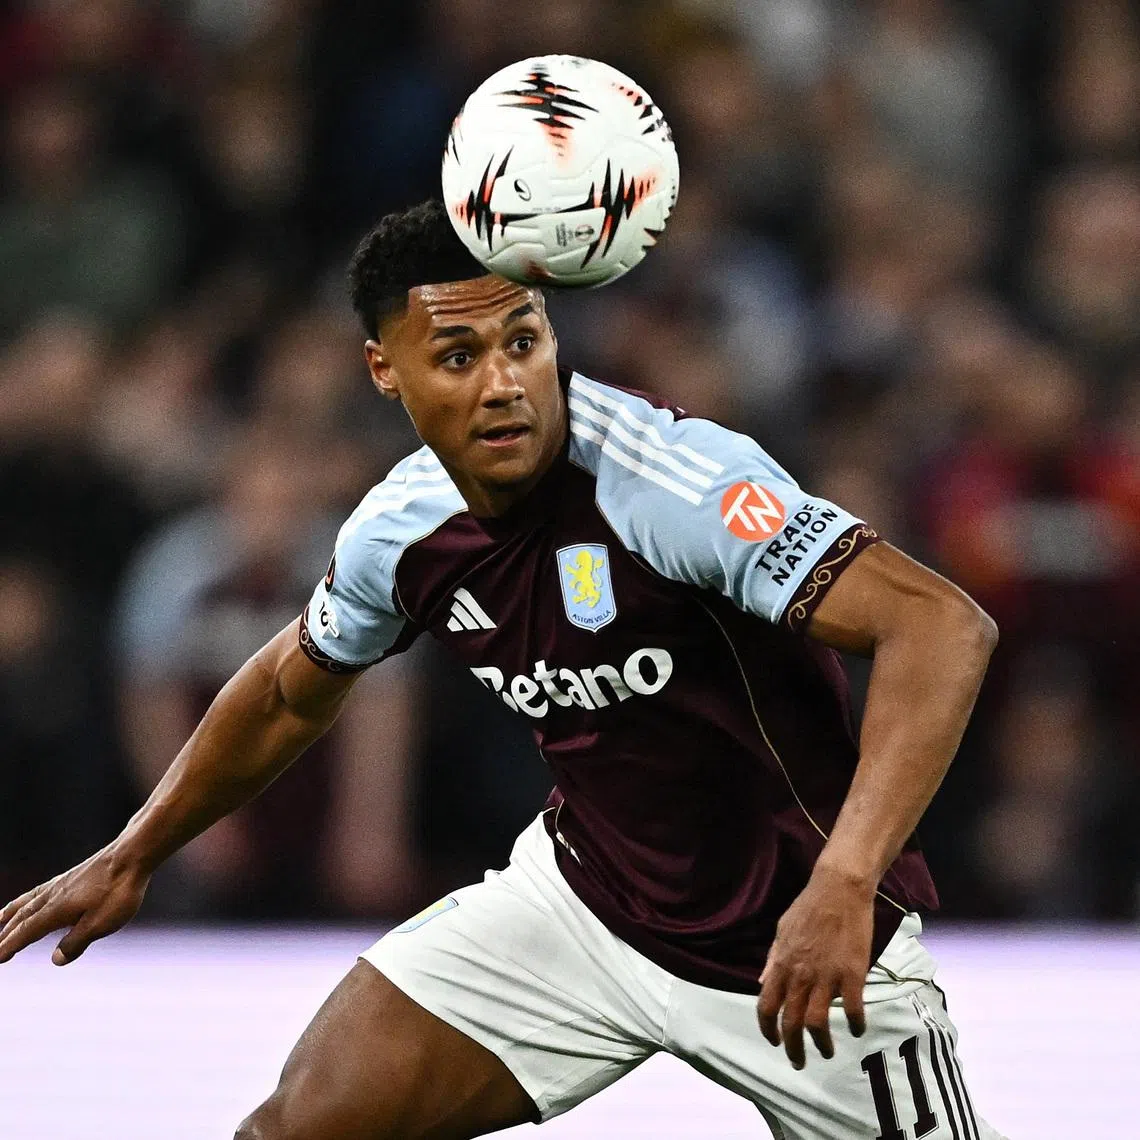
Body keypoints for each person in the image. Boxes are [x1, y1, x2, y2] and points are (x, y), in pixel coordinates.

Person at [0, 200, 1005, 1140]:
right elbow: (282, 693)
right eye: (458, 355)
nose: (503, 383)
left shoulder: (671, 484)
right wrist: (134, 853)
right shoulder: (401, 530)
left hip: (803, 936)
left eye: (523, 342)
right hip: (583, 907)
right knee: (291, 1130)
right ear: (384, 369)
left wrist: (845, 879)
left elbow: (942, 628)